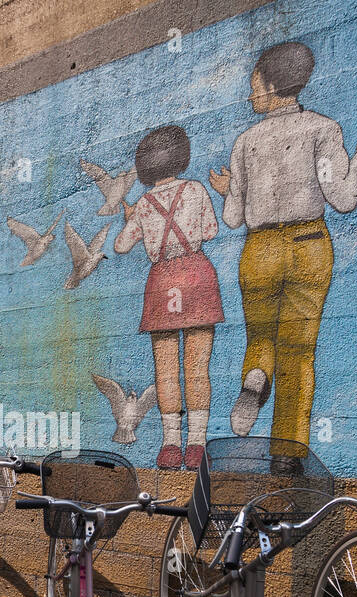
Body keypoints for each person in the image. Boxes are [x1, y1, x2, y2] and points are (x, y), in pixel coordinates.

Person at [209, 41, 357, 453]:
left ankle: (256, 374)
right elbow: (343, 198)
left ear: (272, 85)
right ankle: (288, 454)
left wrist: (229, 191)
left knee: (260, 336)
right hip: (309, 245)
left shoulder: (245, 142)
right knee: (299, 352)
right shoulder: (323, 129)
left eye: (254, 84)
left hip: (259, 251)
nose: (250, 93)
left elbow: (233, 218)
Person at [114, 124, 225, 470]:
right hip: (196, 275)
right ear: (181, 157)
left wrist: (131, 218)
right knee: (198, 369)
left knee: (165, 371)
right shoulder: (195, 189)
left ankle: (170, 444)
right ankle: (197, 444)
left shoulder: (145, 204)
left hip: (161, 280)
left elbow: (120, 246)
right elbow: (211, 230)